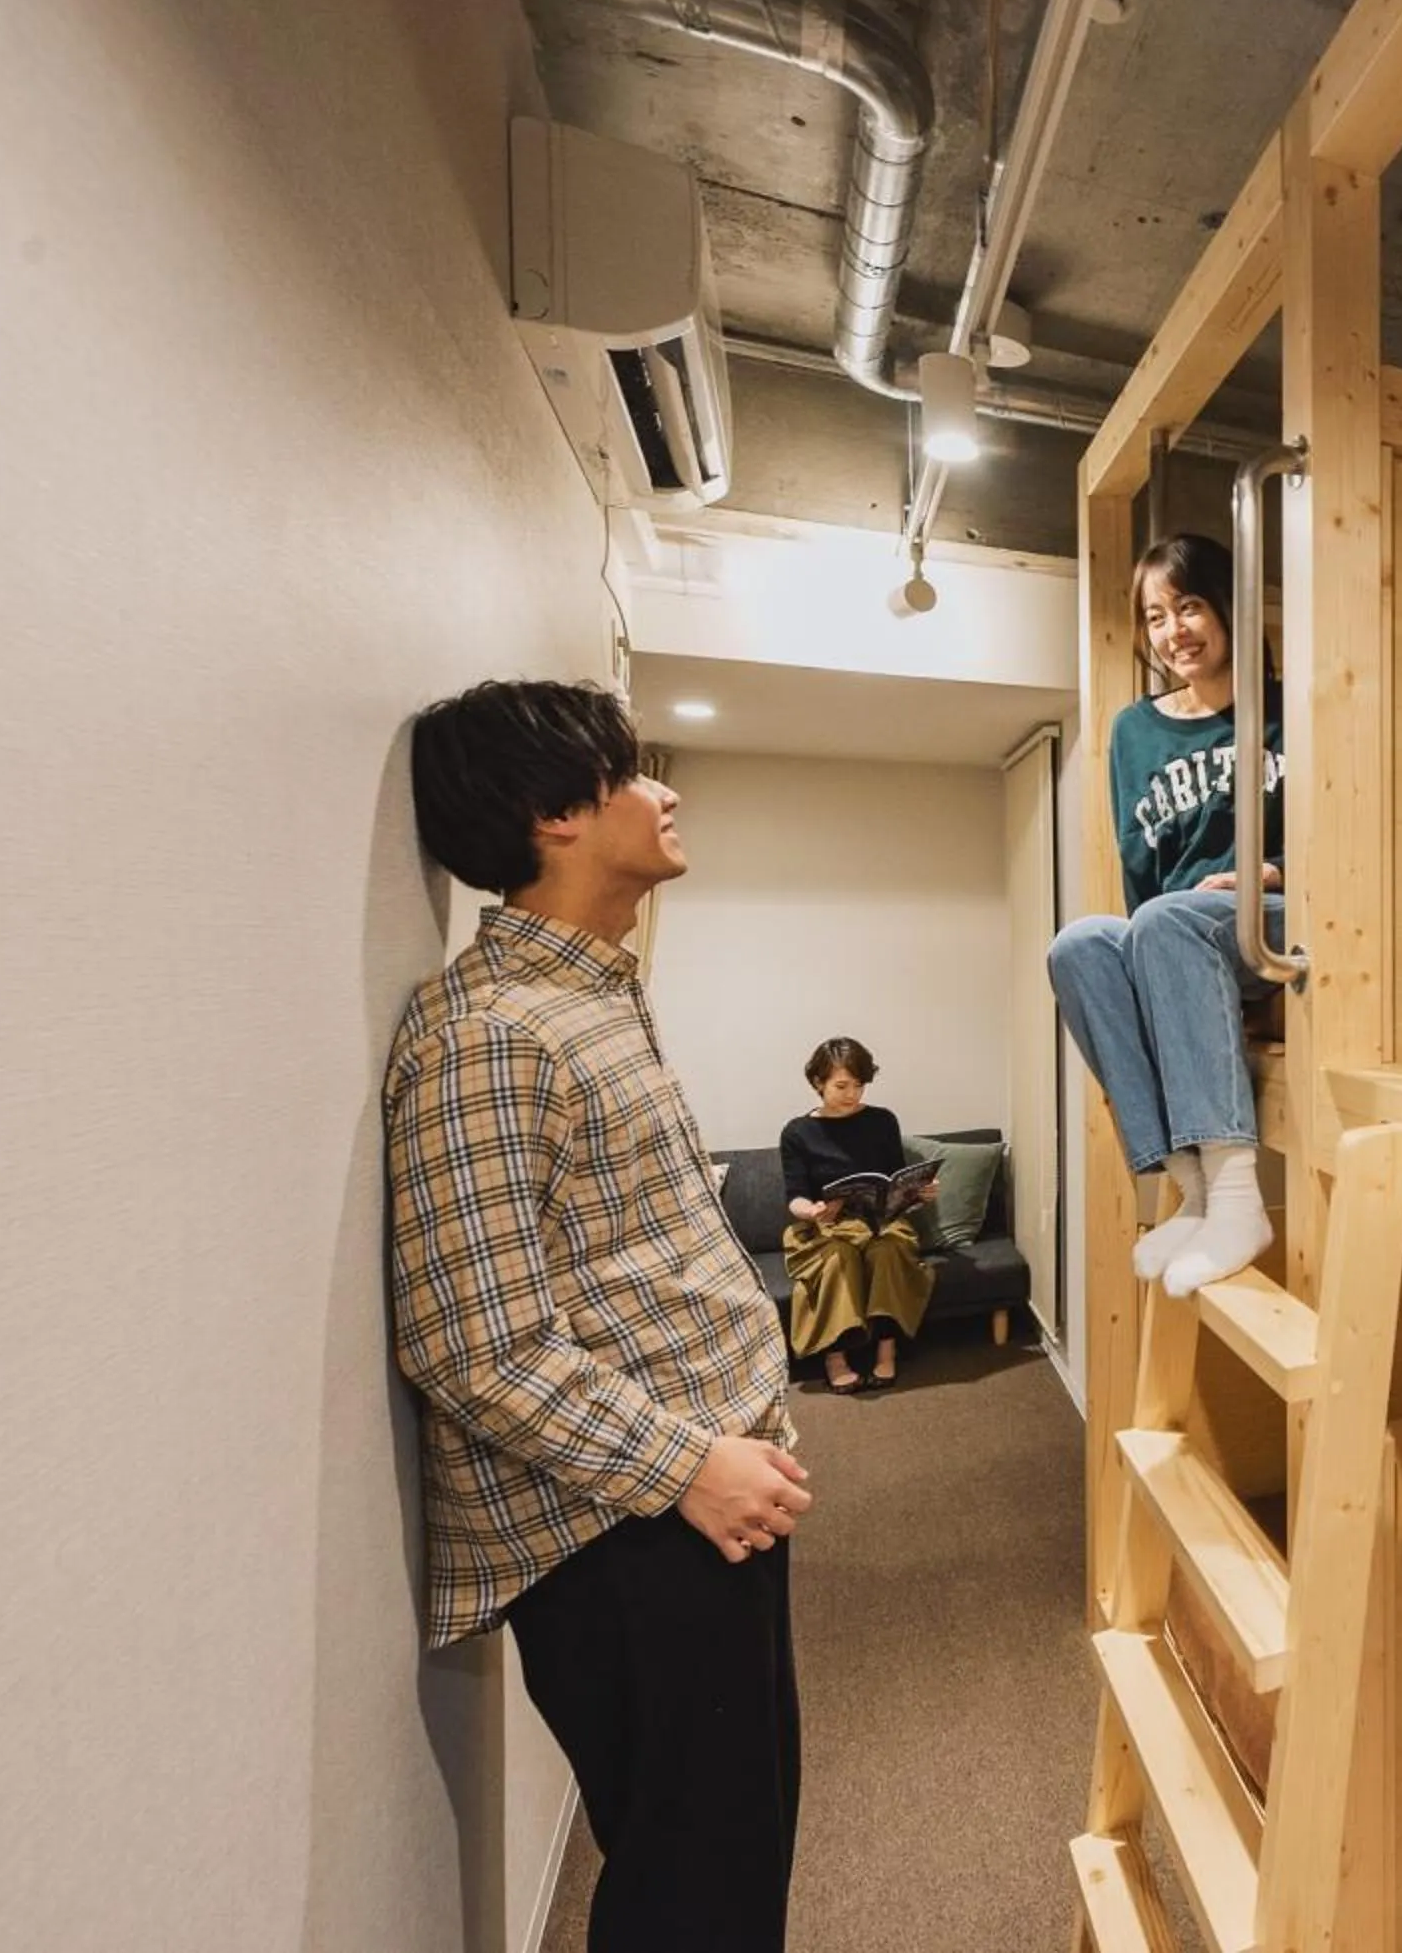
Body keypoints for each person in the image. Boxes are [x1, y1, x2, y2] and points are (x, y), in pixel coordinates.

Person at [384, 679, 810, 1953]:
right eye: (631, 773)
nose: (663, 791)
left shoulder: (591, 995)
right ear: (552, 815)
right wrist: (691, 1463)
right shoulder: (491, 1033)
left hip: (695, 1499)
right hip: (624, 1532)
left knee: (734, 1849)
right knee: (698, 1889)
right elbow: (473, 1338)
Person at [1046, 533, 1285, 1298]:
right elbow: (1138, 872)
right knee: (1081, 942)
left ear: (1227, 605)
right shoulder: (1133, 730)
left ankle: (1238, 1198)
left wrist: (1277, 870)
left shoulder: (1291, 706)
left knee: (1167, 920)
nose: (1173, 631)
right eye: (1155, 617)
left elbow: (1350, 829)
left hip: (1276, 912)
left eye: (1188, 606)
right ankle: (1190, 1187)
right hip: (1178, 929)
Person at [777, 1035, 935, 1392]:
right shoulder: (797, 1132)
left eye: (859, 1085)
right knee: (839, 1258)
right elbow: (795, 1196)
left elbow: (895, 1180)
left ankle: (886, 1351)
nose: (852, 1095)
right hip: (827, 1228)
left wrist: (919, 1192)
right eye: (842, 1085)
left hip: (882, 1222)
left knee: (889, 1252)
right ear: (818, 1083)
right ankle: (836, 1358)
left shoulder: (882, 1121)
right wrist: (812, 1210)